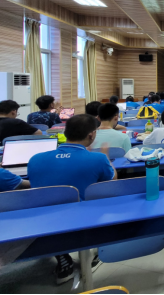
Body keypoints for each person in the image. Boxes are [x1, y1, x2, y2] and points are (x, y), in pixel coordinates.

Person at [28, 114, 117, 284]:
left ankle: (63, 258)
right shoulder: (97, 159)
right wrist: (105, 157)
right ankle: (92, 253)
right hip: (82, 221)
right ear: (91, 135)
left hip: (42, 224)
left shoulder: (35, 159)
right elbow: (111, 182)